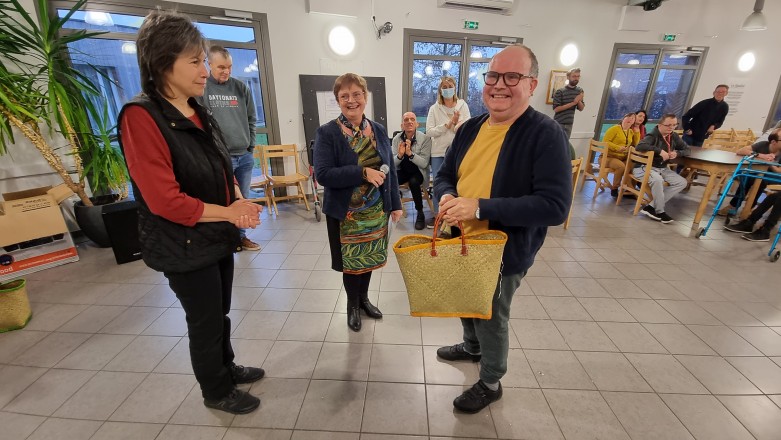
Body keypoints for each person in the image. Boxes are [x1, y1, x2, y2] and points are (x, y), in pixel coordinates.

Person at [117, 10, 264, 415]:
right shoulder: (141, 116)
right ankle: (216, 390)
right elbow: (166, 200)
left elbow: (222, 164)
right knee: (204, 320)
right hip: (181, 241)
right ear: (164, 62)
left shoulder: (196, 108)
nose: (205, 70)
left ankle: (227, 366)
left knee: (220, 311)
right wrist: (229, 212)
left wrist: (236, 195)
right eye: (195, 61)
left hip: (213, 235)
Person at [434, 45, 571, 414]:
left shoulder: (546, 134)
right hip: (459, 239)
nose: (499, 85)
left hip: (502, 250)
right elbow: (444, 175)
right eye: (493, 76)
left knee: (492, 314)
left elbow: (554, 206)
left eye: (512, 77)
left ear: (531, 84)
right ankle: (471, 346)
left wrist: (478, 205)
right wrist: (447, 197)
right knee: (466, 298)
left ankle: (491, 380)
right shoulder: (471, 127)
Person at [313, 73, 402, 332]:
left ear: (365, 96)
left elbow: (391, 171)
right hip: (347, 215)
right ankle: (352, 305)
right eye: (345, 96)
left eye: (356, 95)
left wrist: (395, 203)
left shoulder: (378, 129)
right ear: (338, 100)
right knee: (352, 263)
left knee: (370, 258)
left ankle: (364, 300)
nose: (351, 101)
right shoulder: (327, 132)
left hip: (376, 210)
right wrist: (362, 172)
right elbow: (323, 174)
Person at [202, 45, 261, 252]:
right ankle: (224, 241)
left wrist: (250, 146)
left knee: (243, 199)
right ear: (209, 64)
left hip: (243, 156)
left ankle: (241, 238)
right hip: (219, 158)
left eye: (229, 67)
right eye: (220, 67)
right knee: (221, 201)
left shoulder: (240, 87)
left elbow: (252, 119)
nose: (226, 71)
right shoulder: (203, 88)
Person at [426, 76, 470, 227]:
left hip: (458, 151)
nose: (447, 89)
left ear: (454, 87)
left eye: (449, 86)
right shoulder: (434, 108)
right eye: (444, 87)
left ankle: (455, 219)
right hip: (438, 152)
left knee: (458, 184)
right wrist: (448, 124)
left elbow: (467, 128)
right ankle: (440, 217)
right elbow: (430, 131)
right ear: (440, 90)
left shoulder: (462, 105)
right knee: (440, 184)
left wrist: (457, 123)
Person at [633, 113, 689, 224]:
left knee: (682, 182)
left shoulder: (673, 136)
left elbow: (687, 149)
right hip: (644, 167)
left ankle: (650, 207)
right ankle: (660, 211)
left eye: (674, 125)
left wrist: (677, 153)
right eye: (668, 125)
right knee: (658, 180)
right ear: (660, 124)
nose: (672, 128)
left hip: (662, 168)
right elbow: (640, 146)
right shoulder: (653, 135)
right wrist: (659, 151)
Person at [717, 130, 781, 216]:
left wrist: (770, 163)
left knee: (760, 180)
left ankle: (749, 208)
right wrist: (761, 155)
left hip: (775, 177)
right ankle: (733, 206)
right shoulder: (763, 145)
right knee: (748, 176)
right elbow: (740, 151)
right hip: (758, 173)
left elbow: (779, 171)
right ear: (773, 142)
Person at [392, 112, 432, 230]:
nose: (409, 122)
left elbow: (424, 163)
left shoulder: (425, 139)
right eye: (406, 120)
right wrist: (399, 155)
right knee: (389, 180)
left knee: (414, 182)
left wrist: (410, 154)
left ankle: (420, 213)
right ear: (402, 125)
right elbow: (393, 164)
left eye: (412, 119)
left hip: (417, 171)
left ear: (417, 124)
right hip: (402, 170)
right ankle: (393, 208)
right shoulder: (396, 139)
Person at [602, 112, 640, 197]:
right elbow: (605, 142)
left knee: (635, 164)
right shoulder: (614, 129)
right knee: (621, 166)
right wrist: (617, 147)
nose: (630, 119)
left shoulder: (630, 132)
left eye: (633, 118)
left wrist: (637, 133)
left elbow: (636, 145)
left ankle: (631, 188)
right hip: (608, 157)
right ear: (623, 118)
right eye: (628, 117)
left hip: (623, 157)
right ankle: (615, 188)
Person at [552, 67, 585, 138]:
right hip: (558, 123)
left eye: (578, 76)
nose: (576, 78)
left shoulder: (579, 91)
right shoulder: (560, 91)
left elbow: (581, 108)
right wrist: (573, 103)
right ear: (568, 77)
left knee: (565, 145)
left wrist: (578, 101)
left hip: (570, 124)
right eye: (574, 76)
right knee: (556, 144)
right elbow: (556, 109)